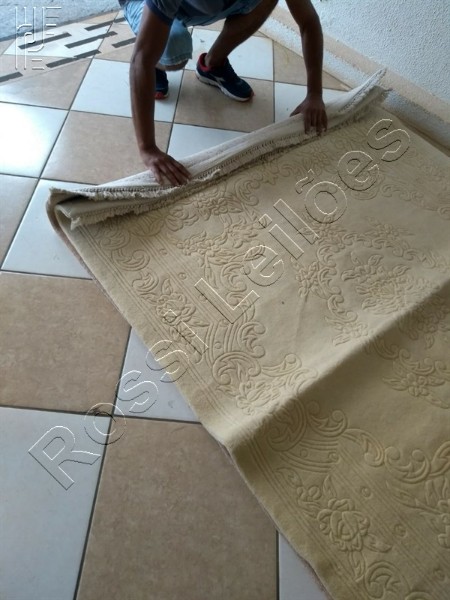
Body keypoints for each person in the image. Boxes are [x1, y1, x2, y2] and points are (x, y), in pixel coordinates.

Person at [120, 0, 328, 185]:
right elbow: (141, 60)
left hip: (201, 7)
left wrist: (314, 94)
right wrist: (148, 149)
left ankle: (213, 65)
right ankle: (155, 51)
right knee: (173, 46)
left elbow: (308, 22)